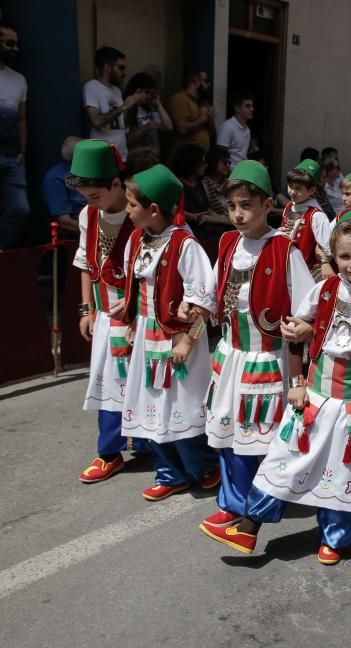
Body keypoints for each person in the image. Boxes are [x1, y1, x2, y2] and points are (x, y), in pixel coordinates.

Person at [204, 210, 351, 560]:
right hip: (315, 396)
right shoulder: (324, 290)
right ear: (334, 256)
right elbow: (293, 332)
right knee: (285, 458)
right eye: (345, 256)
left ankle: (335, 539)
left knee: (344, 472)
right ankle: (250, 525)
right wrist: (296, 381)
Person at [196, 160, 314, 536]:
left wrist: (301, 336)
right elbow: (214, 294)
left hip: (266, 358)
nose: (237, 214)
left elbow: (307, 306)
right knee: (227, 432)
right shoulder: (229, 242)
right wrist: (194, 313)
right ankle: (233, 504)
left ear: (267, 205)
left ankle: (254, 507)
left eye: (246, 205)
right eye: (232, 206)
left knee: (259, 437)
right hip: (230, 355)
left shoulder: (285, 249)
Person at [117, 165, 219, 500]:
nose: (127, 210)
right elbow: (136, 285)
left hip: (177, 338)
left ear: (154, 210)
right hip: (148, 334)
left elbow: (205, 299)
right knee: (151, 403)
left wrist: (189, 338)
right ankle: (169, 473)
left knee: (181, 405)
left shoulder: (184, 245)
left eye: (132, 204)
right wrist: (131, 317)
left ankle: (201, 466)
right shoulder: (137, 239)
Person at [68, 140, 141, 483]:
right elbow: (85, 262)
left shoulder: (140, 212)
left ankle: (149, 443)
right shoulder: (89, 215)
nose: (90, 203)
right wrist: (86, 309)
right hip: (103, 312)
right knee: (106, 381)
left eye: (95, 195)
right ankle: (109, 453)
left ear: (116, 183)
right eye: (86, 197)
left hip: (140, 312)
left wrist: (135, 307)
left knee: (143, 380)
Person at [84, 46, 141, 161]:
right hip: (103, 158)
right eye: (121, 68)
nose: (124, 73)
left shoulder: (117, 91)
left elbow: (122, 127)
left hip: (121, 156)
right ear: (107, 67)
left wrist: (134, 104)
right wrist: (124, 106)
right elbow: (96, 121)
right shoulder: (91, 87)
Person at [280, 158, 333, 278]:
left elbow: (328, 250)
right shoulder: (289, 206)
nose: (292, 192)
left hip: (306, 274)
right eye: (290, 186)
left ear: (312, 190)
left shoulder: (317, 215)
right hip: (286, 268)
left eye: (298, 188)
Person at [0, 20, 27, 249]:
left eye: (16, 44)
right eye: (9, 43)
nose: (15, 49)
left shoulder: (19, 80)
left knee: (20, 209)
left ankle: (4, 253)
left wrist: (22, 150)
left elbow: (22, 119)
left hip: (12, 157)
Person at [124, 72, 173, 159]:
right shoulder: (127, 109)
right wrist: (145, 129)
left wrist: (158, 104)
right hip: (138, 160)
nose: (149, 96)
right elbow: (126, 140)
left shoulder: (150, 107)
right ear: (137, 90)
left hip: (154, 157)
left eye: (151, 93)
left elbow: (169, 127)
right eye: (146, 92)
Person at [43, 136, 87, 232]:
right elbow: (64, 221)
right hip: (79, 231)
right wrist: (93, 231)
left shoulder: (89, 172)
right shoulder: (55, 178)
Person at [167, 70, 214, 156]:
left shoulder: (203, 101)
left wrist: (211, 119)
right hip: (186, 157)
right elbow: (182, 129)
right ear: (196, 82)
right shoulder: (179, 99)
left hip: (201, 155)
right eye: (206, 81)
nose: (208, 84)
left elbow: (211, 133)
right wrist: (202, 119)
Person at [216, 91, 253, 166]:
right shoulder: (227, 126)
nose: (252, 109)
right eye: (248, 106)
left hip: (243, 171)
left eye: (252, 106)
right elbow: (220, 154)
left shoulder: (247, 129)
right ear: (237, 108)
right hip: (231, 173)